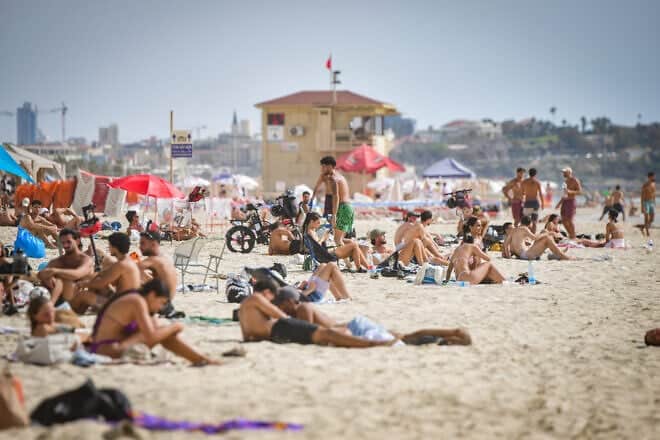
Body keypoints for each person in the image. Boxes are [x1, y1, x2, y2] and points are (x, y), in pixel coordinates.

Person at [273, 287, 472, 346]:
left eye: (282, 305)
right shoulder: (305, 307)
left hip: (354, 328)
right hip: (356, 324)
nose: (282, 310)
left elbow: (310, 334)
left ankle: (453, 333)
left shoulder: (302, 309)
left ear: (290, 301)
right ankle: (450, 334)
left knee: (400, 341)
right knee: (404, 338)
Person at [86, 279, 219, 365]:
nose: (160, 308)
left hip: (109, 347)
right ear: (152, 295)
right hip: (108, 349)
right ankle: (200, 359)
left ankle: (200, 359)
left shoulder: (137, 299)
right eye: (161, 303)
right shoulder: (137, 301)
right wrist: (175, 327)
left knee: (159, 327)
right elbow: (150, 336)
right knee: (161, 328)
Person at [238, 280, 393, 347]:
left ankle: (376, 342)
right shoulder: (257, 298)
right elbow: (279, 316)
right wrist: (290, 321)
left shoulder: (244, 308)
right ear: (266, 292)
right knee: (326, 334)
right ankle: (373, 343)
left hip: (279, 332)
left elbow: (247, 337)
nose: (271, 302)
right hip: (281, 328)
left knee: (327, 334)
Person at [74, 232, 142, 313]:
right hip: (126, 300)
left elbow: (101, 283)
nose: (108, 247)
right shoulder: (126, 261)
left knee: (83, 295)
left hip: (122, 305)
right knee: (97, 284)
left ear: (115, 247)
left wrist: (82, 284)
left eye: (109, 245)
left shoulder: (121, 265)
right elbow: (103, 276)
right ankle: (86, 309)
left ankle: (72, 311)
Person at [37, 228, 95, 309]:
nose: (65, 245)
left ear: (77, 241)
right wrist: (48, 277)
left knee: (65, 280)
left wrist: (54, 271)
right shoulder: (59, 261)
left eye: (68, 242)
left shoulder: (85, 260)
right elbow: (40, 275)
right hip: (60, 300)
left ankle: (51, 305)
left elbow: (77, 274)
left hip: (77, 300)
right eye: (63, 243)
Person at [311, 156, 353, 244]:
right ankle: (357, 248)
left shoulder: (334, 179)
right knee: (339, 239)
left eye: (323, 166)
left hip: (343, 208)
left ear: (330, 166)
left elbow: (336, 197)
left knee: (337, 240)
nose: (321, 169)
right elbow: (317, 187)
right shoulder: (337, 176)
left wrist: (334, 215)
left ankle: (358, 252)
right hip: (348, 208)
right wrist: (312, 199)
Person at [138, 230, 180, 315]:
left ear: (153, 244)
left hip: (160, 304)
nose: (140, 247)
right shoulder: (165, 257)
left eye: (143, 243)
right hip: (168, 303)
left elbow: (132, 267)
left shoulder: (154, 260)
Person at [502, 215, 574, 260]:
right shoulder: (524, 228)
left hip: (524, 254)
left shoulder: (514, 230)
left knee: (544, 236)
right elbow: (535, 238)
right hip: (526, 254)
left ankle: (557, 254)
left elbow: (506, 245)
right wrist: (547, 233)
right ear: (530, 224)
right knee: (546, 238)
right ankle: (562, 255)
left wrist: (509, 257)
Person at [559, 167, 582, 239]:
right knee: (563, 220)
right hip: (565, 201)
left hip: (571, 201)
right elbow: (565, 193)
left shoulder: (574, 180)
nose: (563, 174)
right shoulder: (565, 181)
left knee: (569, 220)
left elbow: (580, 192)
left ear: (570, 172)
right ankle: (571, 235)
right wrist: (559, 203)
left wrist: (570, 191)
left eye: (565, 172)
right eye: (563, 172)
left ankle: (573, 236)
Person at [521, 168, 544, 234]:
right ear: (535, 174)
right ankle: (533, 236)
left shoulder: (524, 182)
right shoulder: (537, 182)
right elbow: (540, 194)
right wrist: (542, 203)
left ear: (529, 173)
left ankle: (527, 234)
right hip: (535, 203)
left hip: (527, 202)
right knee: (534, 222)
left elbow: (522, 193)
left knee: (525, 221)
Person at [641, 172, 656, 237]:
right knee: (646, 217)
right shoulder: (645, 184)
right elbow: (642, 195)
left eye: (653, 176)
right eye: (652, 176)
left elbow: (654, 193)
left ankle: (643, 227)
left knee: (652, 218)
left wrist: (654, 202)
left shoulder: (653, 184)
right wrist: (642, 205)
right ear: (649, 177)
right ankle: (647, 231)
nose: (653, 178)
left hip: (651, 202)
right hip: (645, 202)